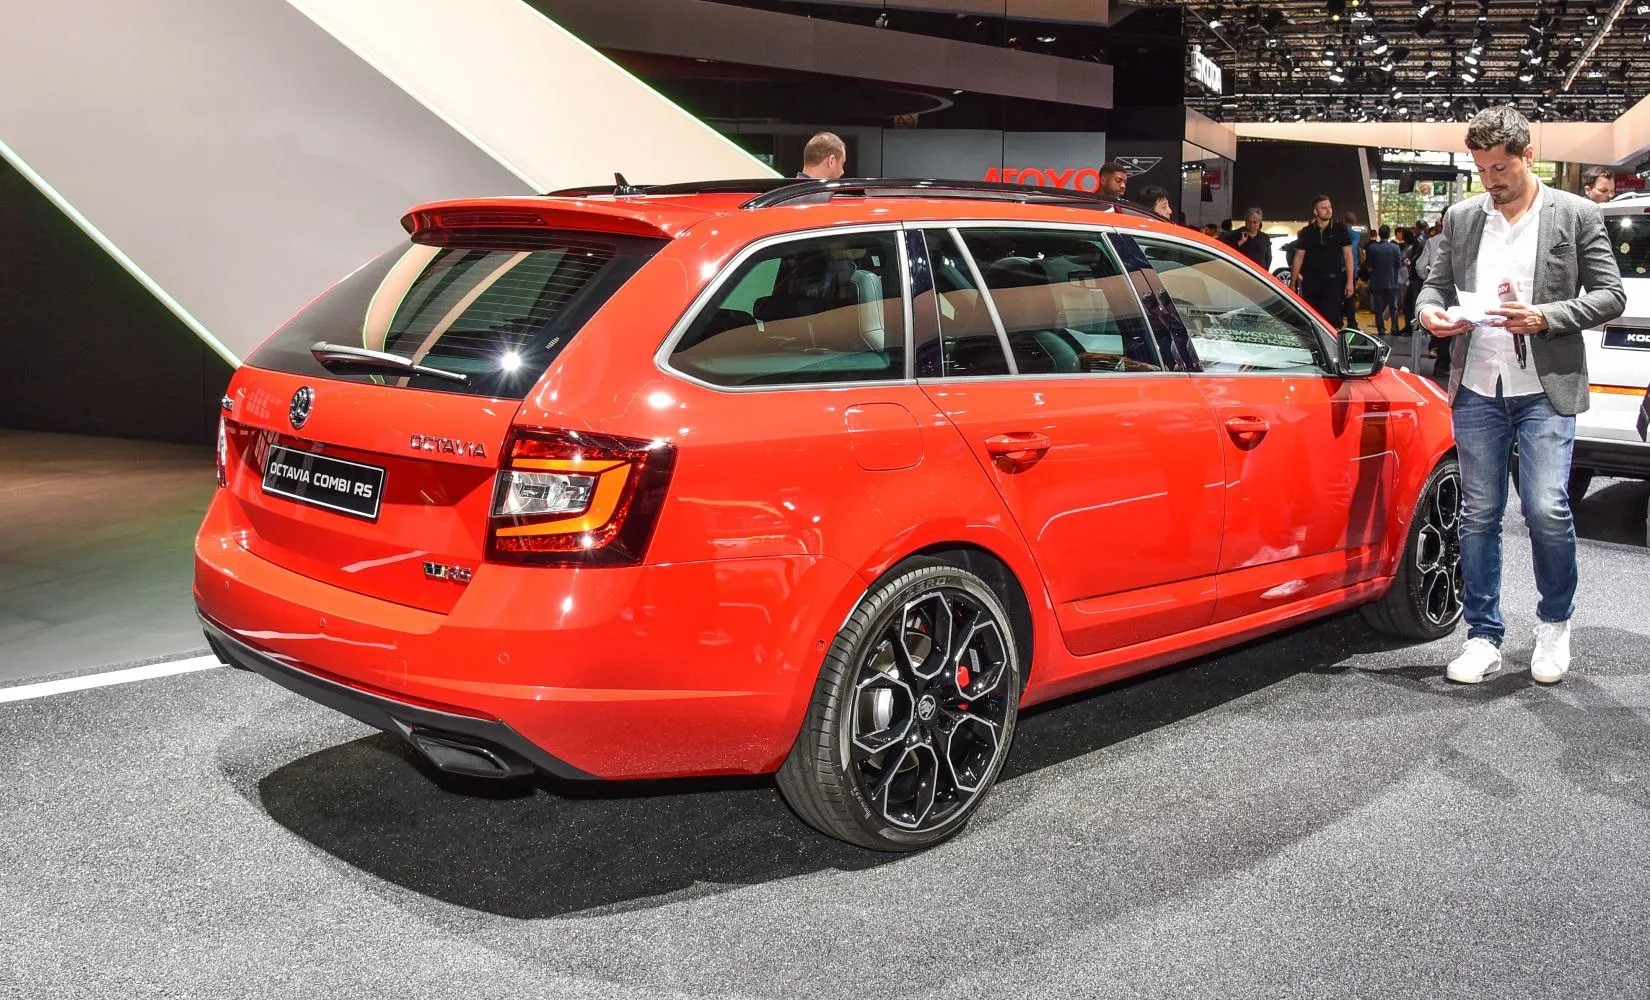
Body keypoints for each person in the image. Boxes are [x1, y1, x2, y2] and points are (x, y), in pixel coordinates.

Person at [1416, 105, 1626, 685]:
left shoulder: (1576, 213)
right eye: (1481, 170)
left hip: (1545, 388)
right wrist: (1431, 314)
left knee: (1546, 508)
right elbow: (1433, 287)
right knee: (1479, 514)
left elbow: (1610, 295)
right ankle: (1482, 635)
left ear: (1528, 156)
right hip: (1478, 385)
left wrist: (1545, 316)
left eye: (1501, 168)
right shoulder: (1462, 217)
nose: (1491, 181)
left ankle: (1554, 624)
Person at [1291, 195, 1355, 328]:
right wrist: (1292, 283)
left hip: (1333, 282)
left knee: (1330, 318)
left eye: (1329, 207)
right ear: (1316, 211)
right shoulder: (1307, 232)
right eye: (1324, 208)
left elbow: (1348, 255)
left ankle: (1330, 340)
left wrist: (1350, 282)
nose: (1328, 210)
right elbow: (1299, 257)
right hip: (1311, 282)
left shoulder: (1340, 229)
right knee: (1311, 318)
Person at [1364, 224, 1404, 338]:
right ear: (1389, 234)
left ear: (1379, 235)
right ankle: (1394, 328)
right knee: (1393, 306)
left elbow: (1369, 266)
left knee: (1378, 306)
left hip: (1377, 281)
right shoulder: (1395, 247)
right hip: (1392, 280)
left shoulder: (1372, 248)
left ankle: (1381, 329)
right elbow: (1399, 264)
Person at [1342, 211, 1364, 329]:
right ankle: (1352, 323)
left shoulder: (1339, 233)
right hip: (1353, 269)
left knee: (1337, 296)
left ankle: (1338, 321)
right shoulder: (1356, 236)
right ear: (1354, 221)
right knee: (1350, 297)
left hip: (1339, 269)